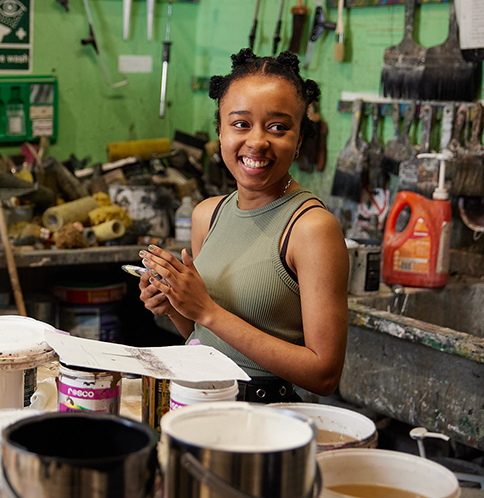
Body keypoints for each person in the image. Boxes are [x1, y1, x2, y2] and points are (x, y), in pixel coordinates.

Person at [138, 49, 348, 402]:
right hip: (193, 398)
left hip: (262, 418)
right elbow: (203, 334)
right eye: (240, 124)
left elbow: (324, 374)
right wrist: (175, 304)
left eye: (278, 127)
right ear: (220, 133)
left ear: (298, 141)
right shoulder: (208, 215)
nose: (257, 141)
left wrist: (207, 309)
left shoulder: (311, 229)